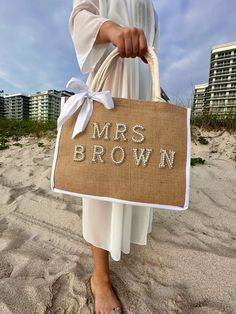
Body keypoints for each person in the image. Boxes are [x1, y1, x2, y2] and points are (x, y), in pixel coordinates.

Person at [69, 1, 160, 313]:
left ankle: (121, 238)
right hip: (111, 83)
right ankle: (100, 277)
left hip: (140, 85)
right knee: (102, 177)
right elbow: (80, 15)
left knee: (136, 170)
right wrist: (113, 30)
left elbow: (152, 40)